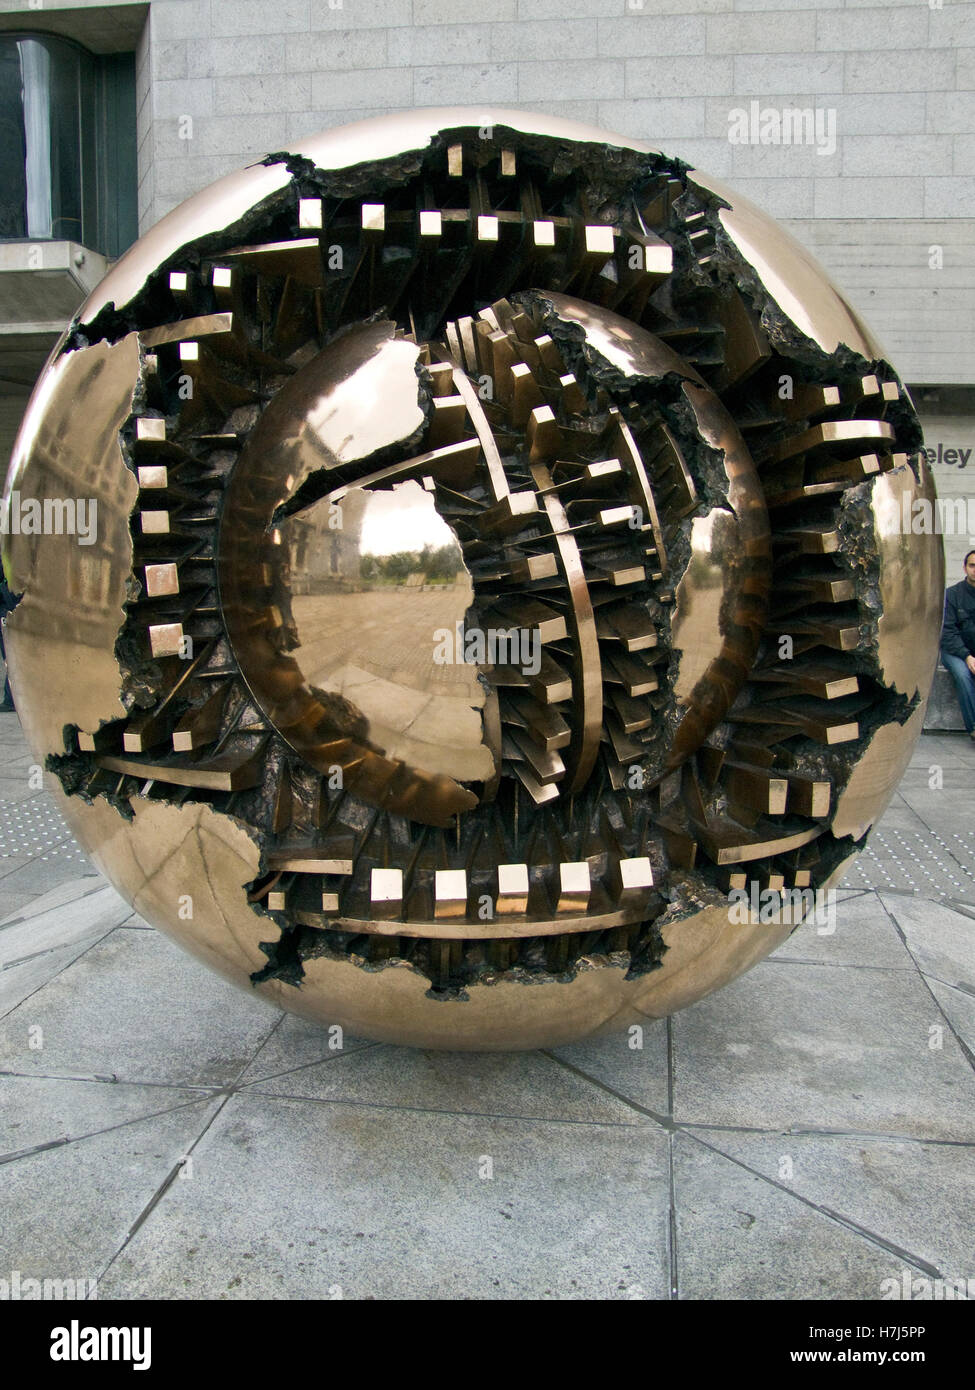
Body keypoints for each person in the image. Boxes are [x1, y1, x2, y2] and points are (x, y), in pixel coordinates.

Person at [940, 549, 975, 738]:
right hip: (955, 652)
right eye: (972, 565)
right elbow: (947, 632)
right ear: (964, 568)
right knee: (963, 674)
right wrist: (966, 656)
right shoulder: (951, 595)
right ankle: (974, 727)